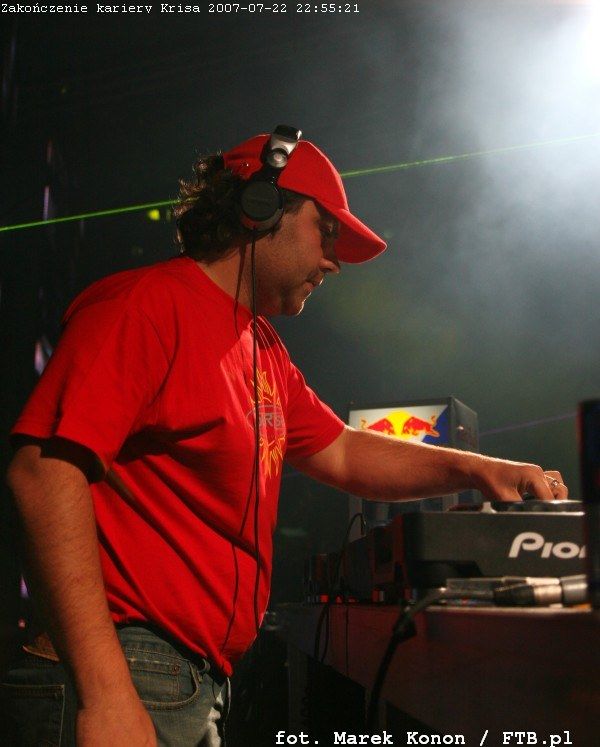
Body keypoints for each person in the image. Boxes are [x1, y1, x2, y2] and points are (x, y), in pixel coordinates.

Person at [2, 128, 568, 747]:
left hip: (178, 680)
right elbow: (41, 472)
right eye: (325, 231)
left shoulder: (263, 349)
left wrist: (482, 470)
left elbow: (343, 450)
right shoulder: (146, 306)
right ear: (260, 208)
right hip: (121, 671)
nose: (333, 262)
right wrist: (107, 694)